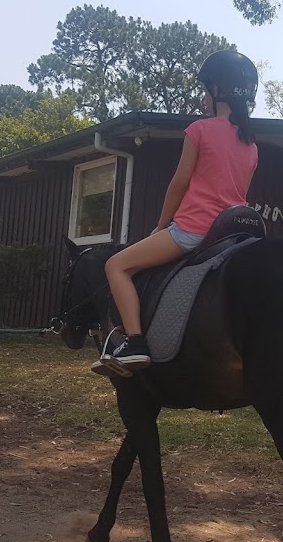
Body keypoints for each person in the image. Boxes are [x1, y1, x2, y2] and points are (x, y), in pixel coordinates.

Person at [93, 50, 259, 376]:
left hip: (193, 230)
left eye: (205, 89)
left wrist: (161, 225)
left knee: (116, 265)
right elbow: (240, 195)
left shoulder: (200, 130)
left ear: (215, 89)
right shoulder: (251, 145)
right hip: (229, 235)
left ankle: (135, 342)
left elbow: (179, 183)